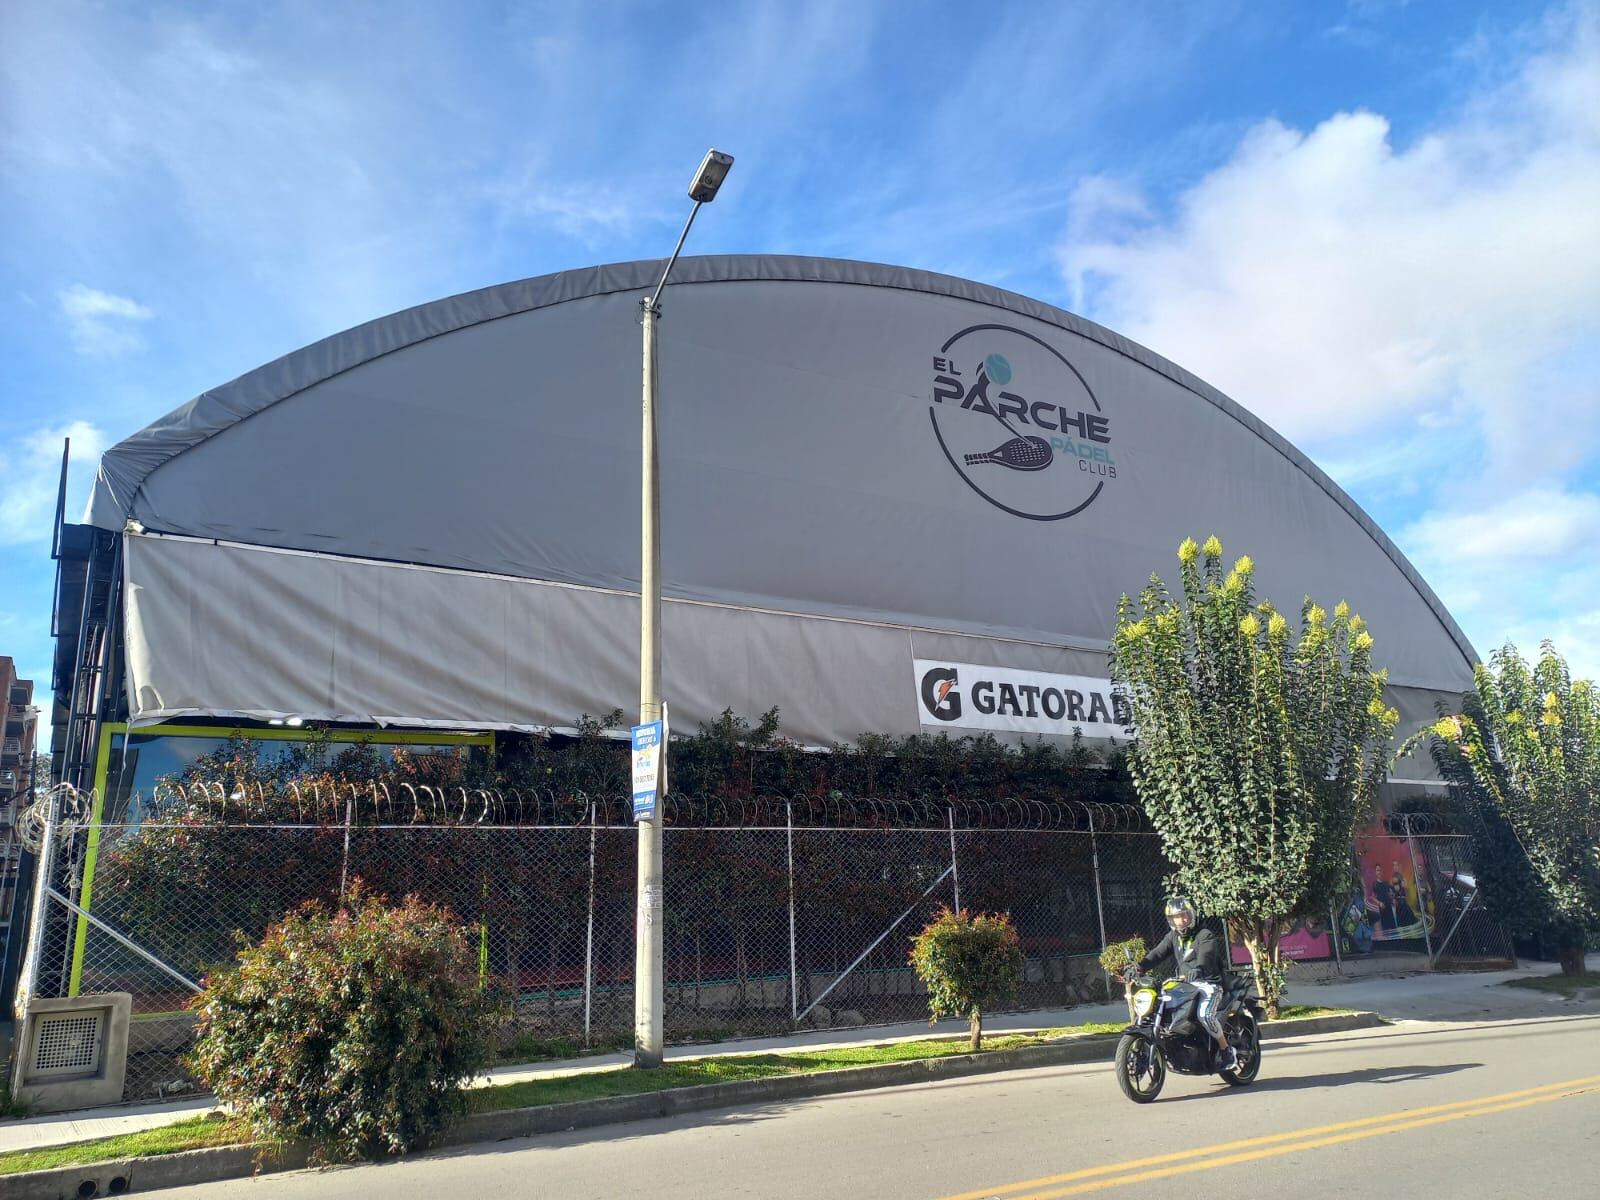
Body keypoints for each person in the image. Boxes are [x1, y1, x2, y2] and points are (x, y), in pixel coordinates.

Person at [1133, 897, 1236, 1070]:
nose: (1181, 920)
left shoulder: (1204, 935)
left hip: (1208, 984)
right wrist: (1139, 967)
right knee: (1162, 1005)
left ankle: (1226, 1050)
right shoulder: (1173, 936)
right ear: (1171, 920)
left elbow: (1206, 955)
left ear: (1192, 915)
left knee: (1205, 1016)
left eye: (1184, 915)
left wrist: (1199, 969)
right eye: (1176, 917)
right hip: (1185, 985)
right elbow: (1157, 953)